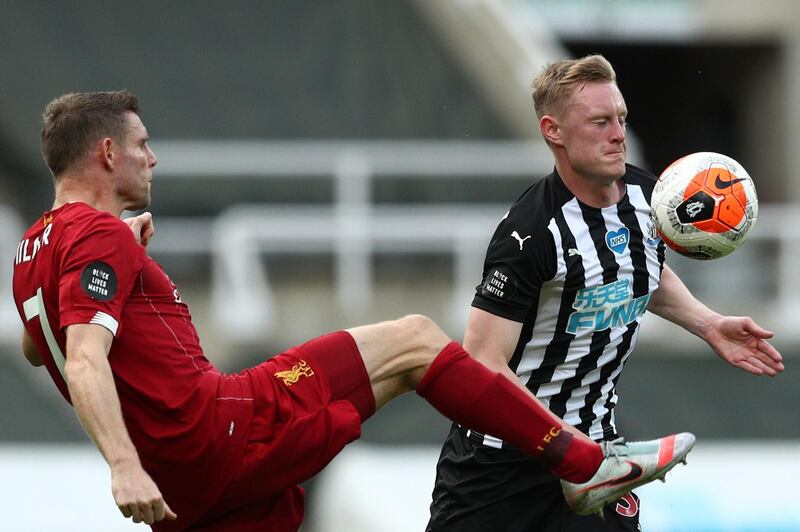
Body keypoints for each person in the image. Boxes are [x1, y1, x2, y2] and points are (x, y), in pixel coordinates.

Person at [13, 90, 691, 532]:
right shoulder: (96, 234)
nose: (151, 157)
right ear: (107, 153)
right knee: (416, 342)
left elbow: (40, 346)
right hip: (214, 427)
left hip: (184, 488)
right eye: (140, 146)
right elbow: (81, 356)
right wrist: (122, 465)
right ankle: (582, 465)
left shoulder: (32, 249)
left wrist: (125, 263)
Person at [426, 54, 785, 532]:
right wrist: (562, 445)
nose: (617, 134)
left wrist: (708, 323)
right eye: (600, 122)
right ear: (553, 131)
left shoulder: (651, 199)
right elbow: (481, 360)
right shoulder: (532, 233)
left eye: (621, 118)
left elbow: (638, 272)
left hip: (599, 459)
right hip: (501, 464)